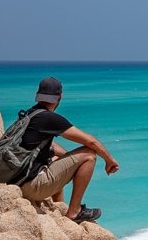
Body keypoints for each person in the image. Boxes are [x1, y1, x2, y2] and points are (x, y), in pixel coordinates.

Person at [17, 76, 119, 222]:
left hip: (17, 181)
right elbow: (91, 142)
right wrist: (109, 160)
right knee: (89, 155)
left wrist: (69, 159)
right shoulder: (50, 119)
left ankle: (59, 206)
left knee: (56, 160)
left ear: (37, 95)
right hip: (32, 187)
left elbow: (49, 146)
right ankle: (74, 212)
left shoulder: (28, 114)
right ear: (60, 97)